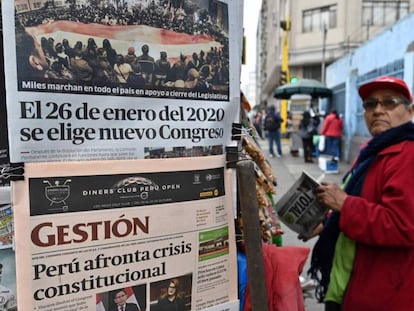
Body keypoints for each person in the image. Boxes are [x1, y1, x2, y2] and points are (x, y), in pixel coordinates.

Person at [308, 76, 414, 311]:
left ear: (410, 111)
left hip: (385, 292)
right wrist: (326, 224)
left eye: (389, 103)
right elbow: (362, 201)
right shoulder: (372, 151)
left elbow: (402, 226)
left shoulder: (408, 155)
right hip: (349, 281)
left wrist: (345, 205)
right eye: (370, 104)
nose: (378, 110)